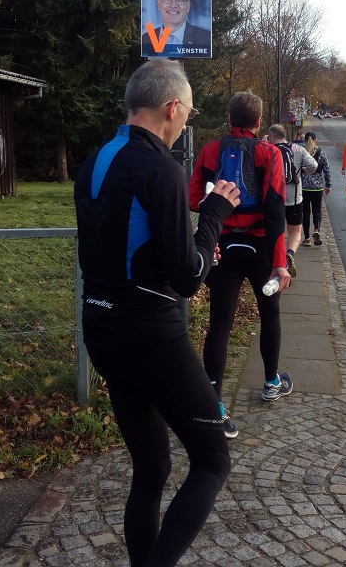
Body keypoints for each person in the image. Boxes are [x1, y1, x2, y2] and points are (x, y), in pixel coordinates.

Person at [74, 60, 240, 567]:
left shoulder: (98, 157)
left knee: (152, 466)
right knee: (212, 461)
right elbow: (190, 275)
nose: (187, 121)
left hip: (100, 327)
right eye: (188, 112)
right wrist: (213, 213)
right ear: (172, 108)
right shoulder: (162, 169)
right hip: (150, 332)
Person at [190, 91, 293, 437]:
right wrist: (281, 264)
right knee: (271, 313)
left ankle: (214, 406)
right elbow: (276, 208)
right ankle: (270, 382)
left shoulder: (210, 151)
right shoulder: (269, 153)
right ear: (258, 121)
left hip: (222, 246)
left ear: (229, 118)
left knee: (220, 323)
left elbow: (194, 199)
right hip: (261, 247)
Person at [267, 123, 317, 277]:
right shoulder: (298, 149)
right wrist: (304, 172)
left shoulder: (268, 149)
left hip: (274, 199)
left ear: (272, 137)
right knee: (295, 232)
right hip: (295, 198)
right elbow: (314, 165)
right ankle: (289, 254)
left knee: (277, 231)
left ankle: (278, 261)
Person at [141, 0, 211, 57]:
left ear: (188, 7)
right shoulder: (146, 39)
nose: (173, 5)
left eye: (180, 0)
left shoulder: (205, 39)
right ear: (158, 3)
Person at [299, 131, 331, 246]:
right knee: (317, 211)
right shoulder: (321, 153)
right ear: (315, 140)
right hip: (317, 187)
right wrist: (328, 184)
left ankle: (307, 238)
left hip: (304, 187)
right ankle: (316, 229)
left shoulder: (301, 152)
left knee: (305, 212)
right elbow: (326, 169)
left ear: (304, 140)